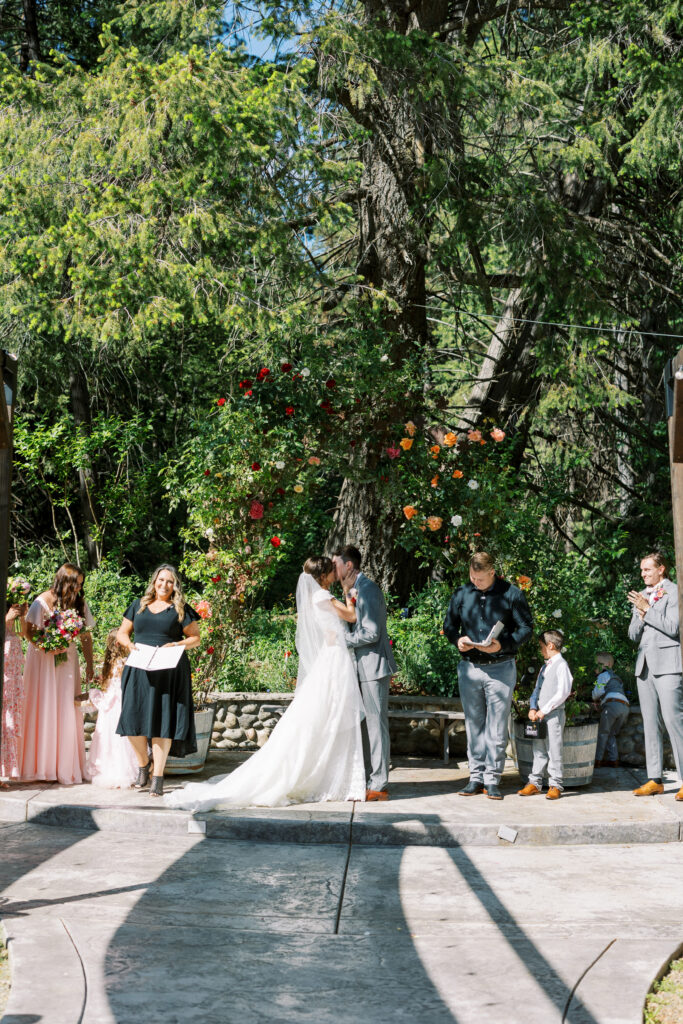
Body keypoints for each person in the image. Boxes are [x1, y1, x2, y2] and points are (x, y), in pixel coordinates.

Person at [165, 557, 365, 810]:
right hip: (335, 658)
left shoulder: (318, 597)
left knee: (330, 717)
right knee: (331, 716)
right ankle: (332, 777)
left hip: (332, 656)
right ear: (323, 575)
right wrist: (350, 593)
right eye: (330, 572)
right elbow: (351, 616)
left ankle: (333, 774)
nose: (335, 575)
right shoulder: (323, 597)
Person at [443, 551, 533, 800]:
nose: (475, 582)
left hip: (501, 666)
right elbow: (449, 625)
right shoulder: (462, 593)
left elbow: (526, 627)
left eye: (480, 578)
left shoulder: (511, 593)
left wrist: (502, 644)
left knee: (496, 726)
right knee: (473, 725)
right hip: (470, 667)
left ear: (492, 572)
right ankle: (475, 777)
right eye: (472, 577)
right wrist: (457, 639)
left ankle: (492, 779)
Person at [116, 565, 201, 798]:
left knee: (163, 723)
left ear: (175, 585)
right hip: (138, 668)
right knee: (132, 719)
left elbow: (195, 638)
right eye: (161, 580)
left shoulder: (181, 609)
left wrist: (176, 644)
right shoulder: (138, 605)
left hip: (169, 671)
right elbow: (122, 633)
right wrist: (128, 644)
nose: (164, 585)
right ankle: (144, 765)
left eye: (170, 581)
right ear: (154, 581)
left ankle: (158, 777)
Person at [20, 563, 94, 785]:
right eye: (75, 585)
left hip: (67, 661)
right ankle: (41, 767)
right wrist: (46, 647)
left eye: (81, 585)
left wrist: (90, 663)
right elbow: (27, 632)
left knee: (65, 706)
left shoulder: (80, 603)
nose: (78, 590)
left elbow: (85, 636)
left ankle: (64, 765)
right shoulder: (42, 601)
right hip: (42, 660)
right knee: (43, 706)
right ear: (64, 581)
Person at [333, 545, 397, 801]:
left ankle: (379, 784)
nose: (333, 568)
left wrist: (341, 640)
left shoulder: (369, 590)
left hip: (373, 667)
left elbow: (371, 633)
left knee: (375, 724)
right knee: (362, 724)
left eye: (336, 563)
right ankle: (367, 776)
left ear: (349, 566)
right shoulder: (351, 590)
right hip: (357, 668)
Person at [627, 551, 683, 801]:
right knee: (650, 724)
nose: (643, 574)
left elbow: (673, 628)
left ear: (662, 569)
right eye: (641, 570)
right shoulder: (642, 596)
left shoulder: (675, 592)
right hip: (644, 666)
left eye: (647, 569)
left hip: (669, 665)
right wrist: (641, 613)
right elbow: (632, 634)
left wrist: (647, 609)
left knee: (674, 722)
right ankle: (655, 779)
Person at [518, 629, 573, 800]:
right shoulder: (544, 666)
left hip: (553, 715)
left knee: (554, 749)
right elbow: (537, 689)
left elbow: (563, 692)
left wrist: (545, 709)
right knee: (539, 748)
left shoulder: (562, 665)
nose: (541, 650)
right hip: (540, 715)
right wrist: (533, 708)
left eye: (542, 646)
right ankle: (535, 782)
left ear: (550, 645)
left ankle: (555, 784)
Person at [87, 629, 139, 788]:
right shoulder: (123, 663)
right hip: (118, 706)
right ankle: (122, 769)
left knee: (110, 740)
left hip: (111, 710)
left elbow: (111, 690)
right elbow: (117, 689)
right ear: (118, 643)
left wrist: (96, 696)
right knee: (119, 740)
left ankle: (112, 766)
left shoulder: (112, 664)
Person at [1, 599, 28, 784]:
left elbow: (22, 633)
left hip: (13, 678)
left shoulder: (16, 615)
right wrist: (5, 619)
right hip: (3, 675)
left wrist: (21, 617)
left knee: (8, 722)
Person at [592, 651, 629, 768]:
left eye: (598, 664)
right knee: (611, 733)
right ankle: (614, 760)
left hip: (612, 705)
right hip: (625, 706)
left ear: (607, 664)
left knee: (603, 733)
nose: (595, 667)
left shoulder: (603, 676)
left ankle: (597, 760)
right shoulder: (617, 678)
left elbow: (597, 693)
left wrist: (594, 698)